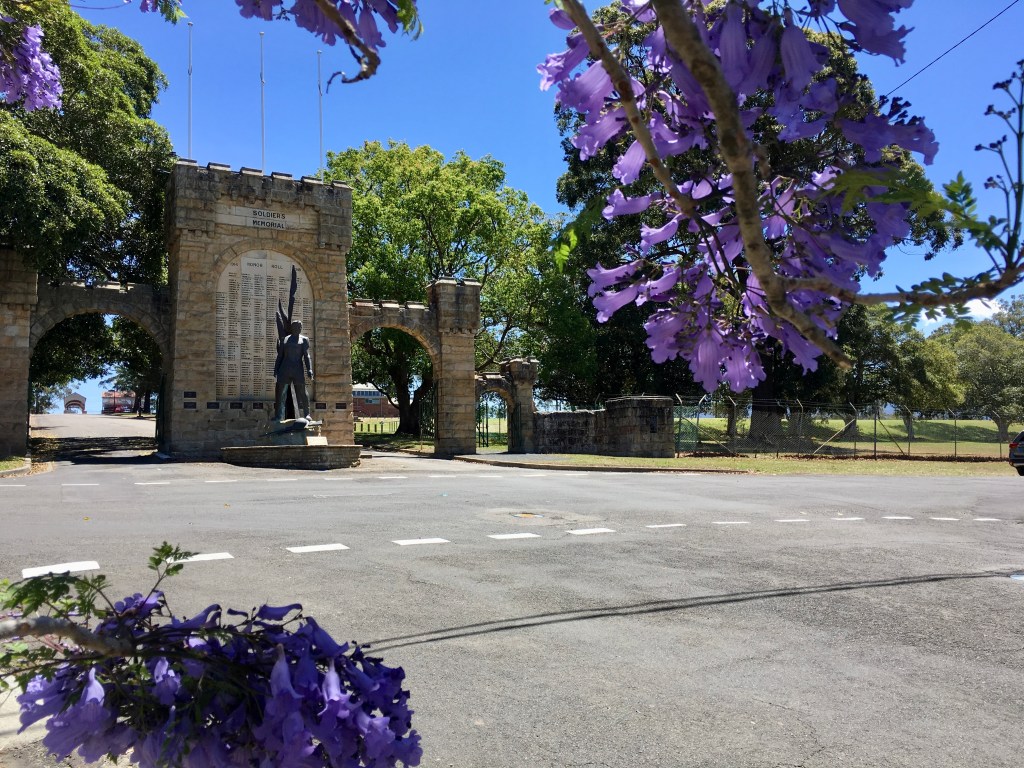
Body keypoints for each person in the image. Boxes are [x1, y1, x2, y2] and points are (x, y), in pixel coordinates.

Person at [274, 320, 313, 421]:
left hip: (297, 370)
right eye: (296, 327)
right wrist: (276, 368)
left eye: (299, 327)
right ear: (292, 328)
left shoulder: (304, 340)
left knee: (302, 392)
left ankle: (307, 413)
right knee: (281, 393)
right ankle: (279, 415)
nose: (298, 329)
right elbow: (280, 356)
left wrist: (309, 369)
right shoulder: (285, 339)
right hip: (284, 369)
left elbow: (306, 356)